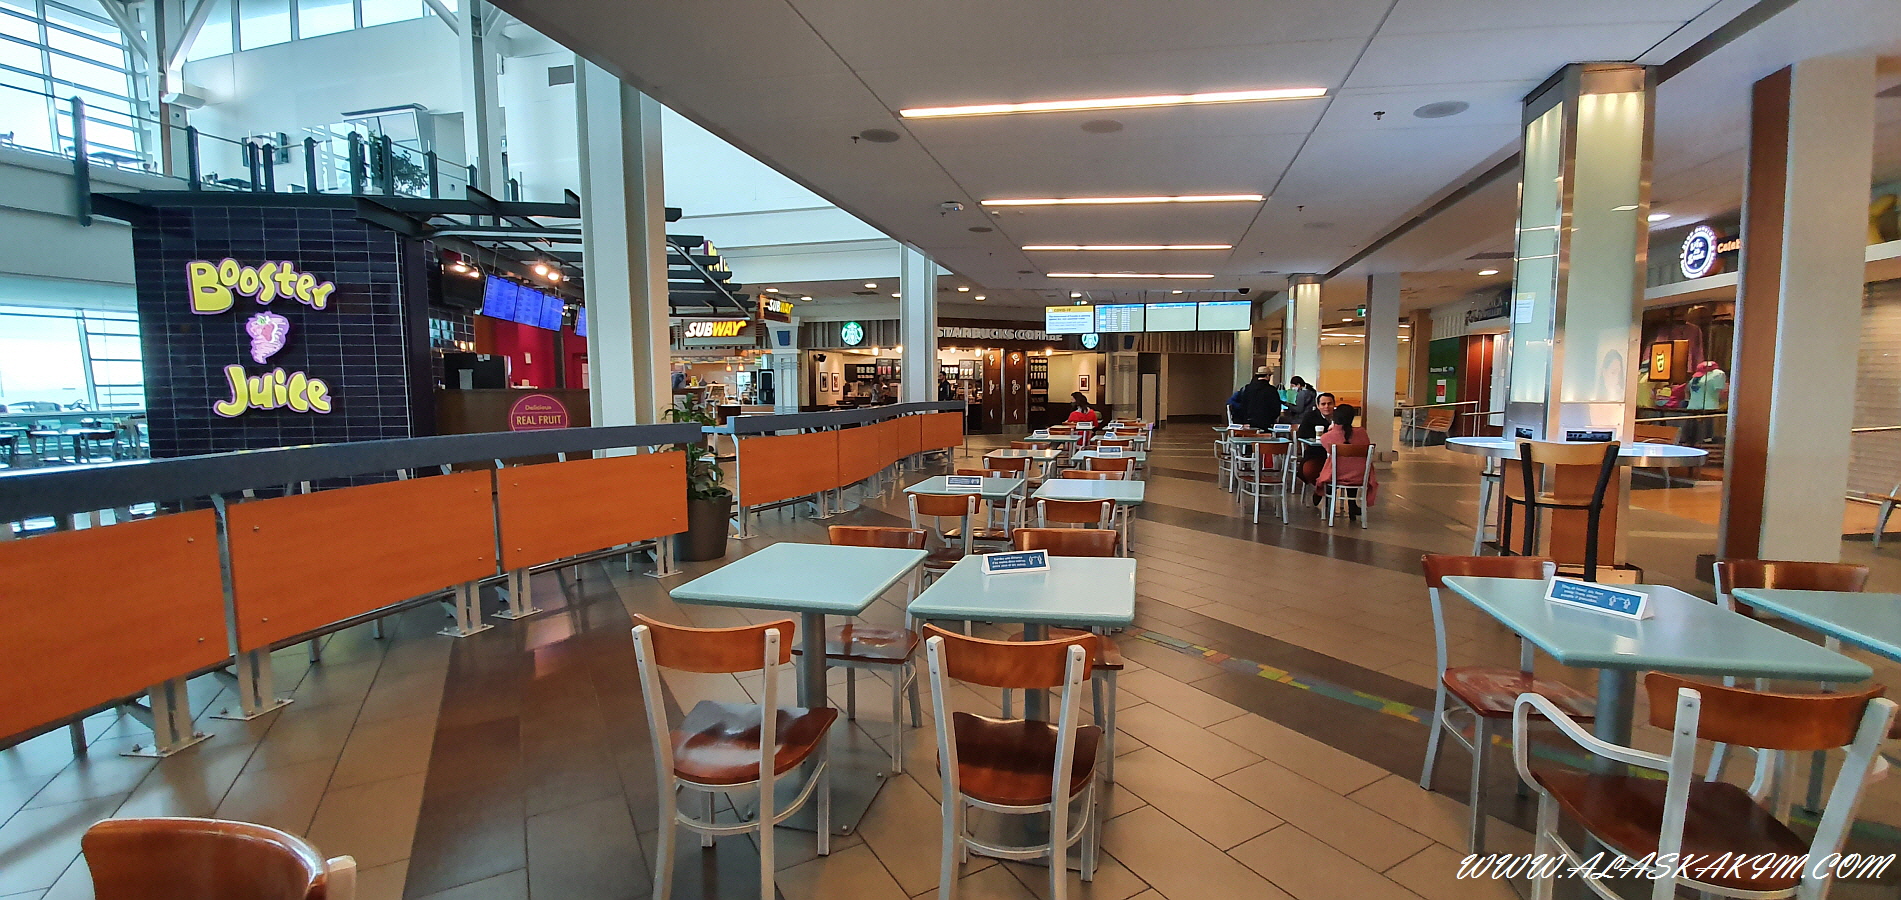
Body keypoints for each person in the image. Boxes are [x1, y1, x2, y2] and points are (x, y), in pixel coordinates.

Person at [1314, 403, 1377, 518]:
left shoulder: (1326, 437)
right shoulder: (1362, 433)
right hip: (1360, 476)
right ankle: (1352, 506)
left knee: (1336, 471)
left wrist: (1332, 429)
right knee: (1352, 468)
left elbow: (1327, 448)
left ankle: (1325, 502)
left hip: (1336, 476)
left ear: (1334, 418)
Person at [1295, 392, 1338, 484]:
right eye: (1323, 404)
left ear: (1334, 405)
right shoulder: (1310, 417)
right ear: (1318, 406)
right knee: (1310, 470)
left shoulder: (1340, 417)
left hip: (1337, 454)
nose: (1326, 406)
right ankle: (1320, 488)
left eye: (1329, 403)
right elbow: (1303, 435)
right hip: (1316, 452)